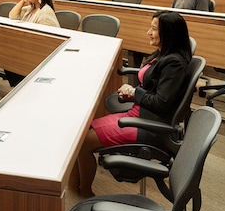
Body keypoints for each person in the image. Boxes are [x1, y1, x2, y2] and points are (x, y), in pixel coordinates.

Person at [74, 11, 192, 196]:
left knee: (82, 143)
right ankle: (76, 188)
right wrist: (134, 93)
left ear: (169, 33)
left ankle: (85, 192)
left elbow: (162, 103)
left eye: (154, 29)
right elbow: (154, 89)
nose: (148, 32)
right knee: (80, 133)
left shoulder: (173, 63)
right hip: (139, 113)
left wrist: (135, 92)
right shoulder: (163, 54)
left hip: (149, 125)